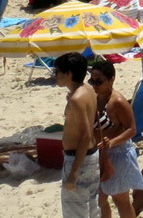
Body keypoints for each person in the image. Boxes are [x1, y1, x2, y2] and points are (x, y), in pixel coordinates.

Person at [88, 59, 142, 218]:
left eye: (99, 81)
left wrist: (112, 142)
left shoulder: (117, 102)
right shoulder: (95, 98)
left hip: (119, 155)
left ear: (111, 79)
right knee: (100, 199)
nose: (95, 85)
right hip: (101, 155)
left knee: (121, 201)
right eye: (92, 80)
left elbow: (132, 129)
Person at [55, 51, 101, 218]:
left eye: (57, 72)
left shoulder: (76, 99)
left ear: (68, 73)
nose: (55, 76)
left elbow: (86, 135)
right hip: (91, 157)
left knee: (76, 213)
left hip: (78, 159)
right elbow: (92, 119)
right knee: (92, 210)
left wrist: (73, 171)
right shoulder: (87, 90)